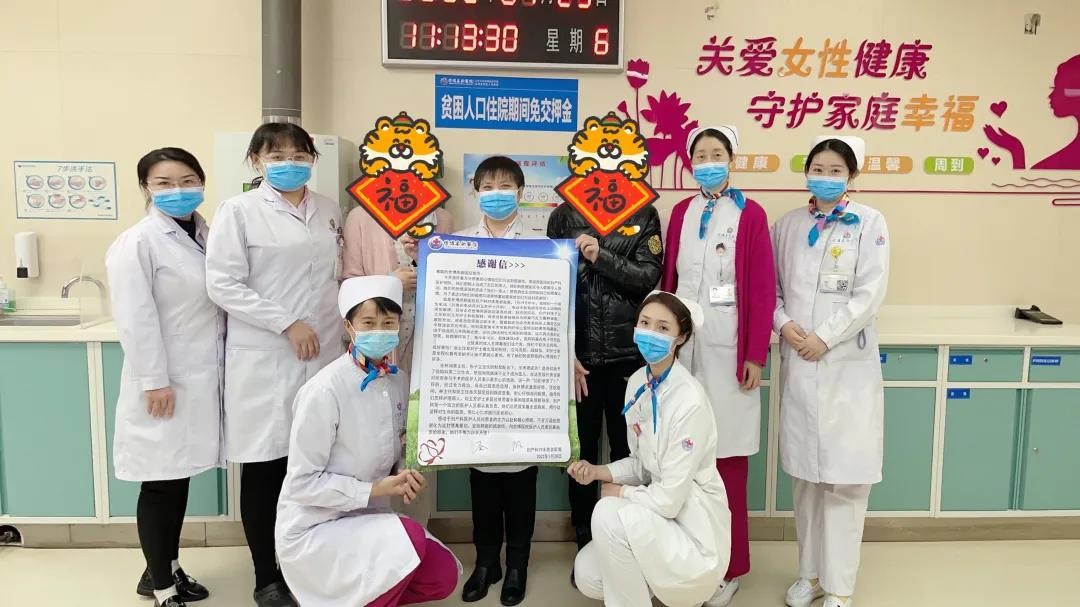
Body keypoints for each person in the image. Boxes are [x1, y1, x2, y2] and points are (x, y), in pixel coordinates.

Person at [205, 123, 343, 607]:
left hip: (325, 354)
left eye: (299, 154)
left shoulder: (329, 209)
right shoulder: (238, 211)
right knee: (266, 468)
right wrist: (287, 323)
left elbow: (331, 278)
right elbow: (222, 284)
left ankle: (306, 564)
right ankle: (266, 575)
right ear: (255, 161)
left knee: (314, 462)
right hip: (267, 358)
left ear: (312, 159)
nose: (289, 163)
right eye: (276, 155)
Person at [276, 275, 460, 607]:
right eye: (368, 323)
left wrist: (407, 473)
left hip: (366, 516)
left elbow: (400, 446)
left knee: (442, 574)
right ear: (349, 326)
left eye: (388, 323)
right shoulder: (324, 390)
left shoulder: (399, 382)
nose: (379, 331)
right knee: (409, 539)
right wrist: (375, 489)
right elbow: (302, 483)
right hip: (316, 525)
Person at [659, 125, 775, 606]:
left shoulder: (750, 215)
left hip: (729, 354)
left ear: (732, 160)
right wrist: (661, 345)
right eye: (700, 156)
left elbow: (761, 288)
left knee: (727, 461)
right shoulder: (681, 213)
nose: (708, 163)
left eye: (716, 154)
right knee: (681, 456)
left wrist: (754, 354)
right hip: (683, 352)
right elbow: (668, 283)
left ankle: (730, 567)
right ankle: (687, 558)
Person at [772, 136, 890, 607]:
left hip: (845, 366)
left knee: (844, 481)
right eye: (817, 168)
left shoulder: (870, 223)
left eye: (835, 170)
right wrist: (784, 325)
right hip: (800, 365)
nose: (824, 176)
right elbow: (771, 290)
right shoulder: (787, 226)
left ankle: (839, 588)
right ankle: (810, 575)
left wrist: (825, 336)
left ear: (851, 176)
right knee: (806, 480)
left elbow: (869, 293)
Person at [105, 147, 223, 607]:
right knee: (160, 482)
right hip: (162, 380)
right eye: (165, 183)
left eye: (188, 180)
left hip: (195, 375)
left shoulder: (204, 233)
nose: (179, 190)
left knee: (177, 476)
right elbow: (135, 318)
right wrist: (154, 380)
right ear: (146, 189)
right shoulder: (137, 242)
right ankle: (162, 589)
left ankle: (166, 567)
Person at [568, 291, 731, 607]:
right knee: (587, 573)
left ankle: (678, 591)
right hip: (657, 520)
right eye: (644, 323)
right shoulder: (637, 382)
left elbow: (669, 500)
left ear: (680, 337)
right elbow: (642, 464)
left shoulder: (689, 401)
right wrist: (597, 472)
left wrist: (621, 493)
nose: (650, 333)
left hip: (692, 533)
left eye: (663, 328)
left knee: (606, 514)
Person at [547, 180, 663, 561]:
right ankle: (584, 539)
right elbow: (552, 286)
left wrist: (601, 256)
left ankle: (625, 538)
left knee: (626, 450)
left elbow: (647, 277)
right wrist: (565, 351)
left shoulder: (643, 213)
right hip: (578, 362)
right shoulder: (563, 216)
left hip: (627, 358)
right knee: (579, 451)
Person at [454, 156, 545, 606]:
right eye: (487, 186)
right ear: (475, 192)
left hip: (524, 375)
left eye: (505, 185)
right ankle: (486, 562)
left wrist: (565, 359)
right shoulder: (457, 245)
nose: (496, 193)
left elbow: (556, 312)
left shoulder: (542, 245)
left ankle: (517, 565)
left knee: (521, 475)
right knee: (483, 475)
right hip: (477, 377)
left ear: (521, 192)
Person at [342, 206, 454, 374]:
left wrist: (422, 261)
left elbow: (450, 277)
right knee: (381, 384)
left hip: (426, 331)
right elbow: (350, 285)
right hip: (378, 334)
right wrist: (390, 284)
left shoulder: (443, 219)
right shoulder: (360, 217)